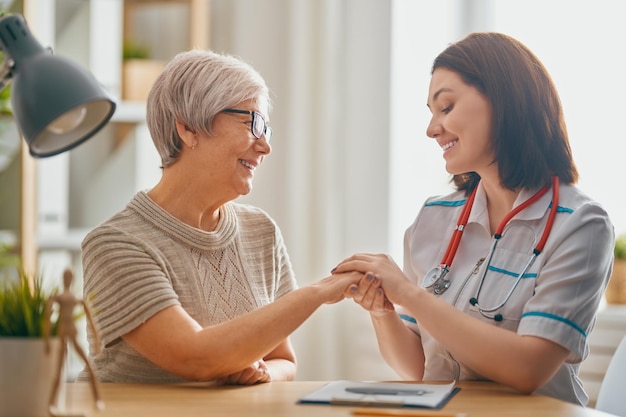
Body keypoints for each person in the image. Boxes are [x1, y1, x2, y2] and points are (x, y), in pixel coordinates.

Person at [332, 32, 614, 405]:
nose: (432, 129)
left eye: (445, 108)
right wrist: (384, 312)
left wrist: (410, 295)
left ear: (504, 100)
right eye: (431, 114)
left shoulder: (581, 225)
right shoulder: (433, 219)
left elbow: (528, 369)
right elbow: (420, 368)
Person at [78, 49, 361, 384]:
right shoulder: (115, 244)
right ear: (187, 128)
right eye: (252, 123)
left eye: (266, 129)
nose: (265, 146)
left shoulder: (260, 231)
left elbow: (283, 360)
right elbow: (195, 357)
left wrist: (261, 372)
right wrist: (317, 292)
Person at [45, 269, 103, 411]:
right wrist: (46, 339)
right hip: (62, 332)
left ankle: (98, 400)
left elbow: (91, 319)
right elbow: (47, 317)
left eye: (69, 277)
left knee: (87, 364)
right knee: (59, 369)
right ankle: (52, 403)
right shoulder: (59, 297)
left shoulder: (76, 298)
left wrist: (96, 341)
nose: (67, 279)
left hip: (71, 331)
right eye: (66, 277)